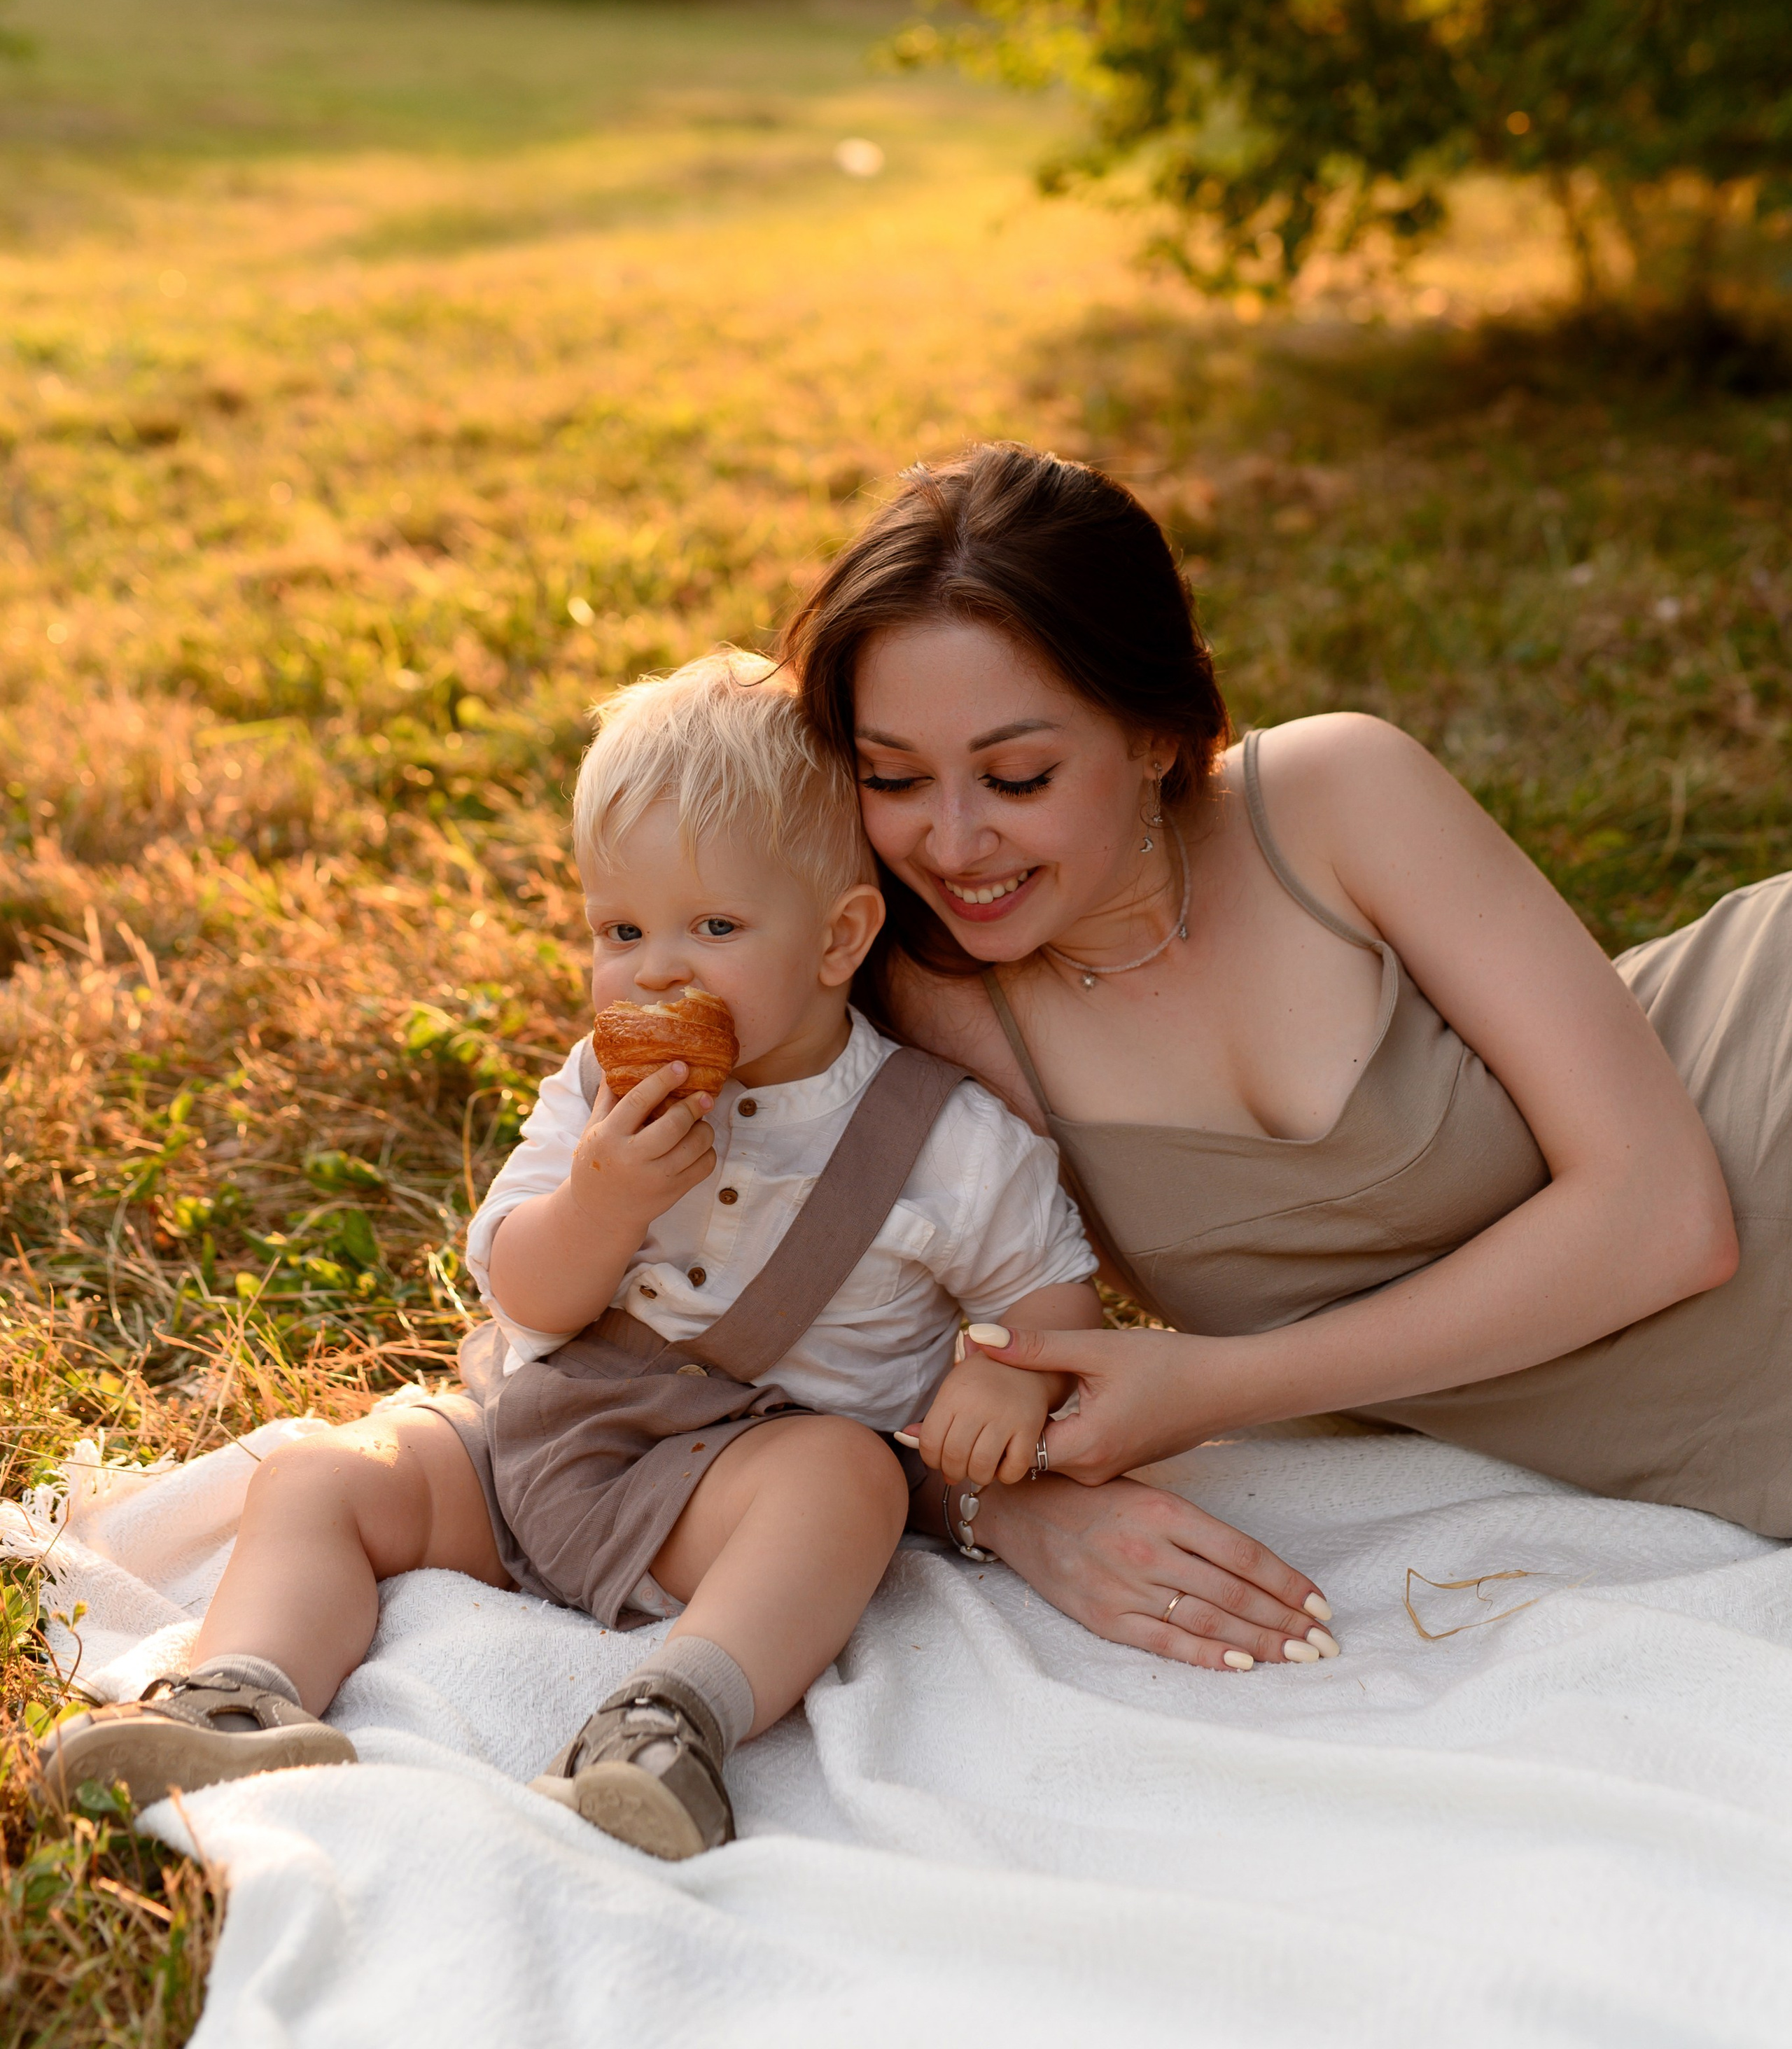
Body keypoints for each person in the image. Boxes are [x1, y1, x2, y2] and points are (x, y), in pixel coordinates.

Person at [38, 651, 1110, 1857]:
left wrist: (1006, 1371)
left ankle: (671, 1721)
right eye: (622, 927)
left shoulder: (940, 1138)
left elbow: (1051, 1290)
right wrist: (599, 1200)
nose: (657, 968)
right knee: (319, 1477)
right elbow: (525, 1290)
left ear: (838, 938)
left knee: (845, 1484)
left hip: (720, 1496)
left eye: (714, 926)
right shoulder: (599, 1087)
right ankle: (239, 1693)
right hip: (532, 1448)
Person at [781, 440, 1792, 1674]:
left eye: (1018, 774)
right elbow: (803, 1369)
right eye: (893, 779)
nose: (951, 843)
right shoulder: (934, 1003)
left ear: (1154, 734)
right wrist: (1016, 1514)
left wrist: (1220, 1383)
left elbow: (1667, 1217)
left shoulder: (1334, 798)